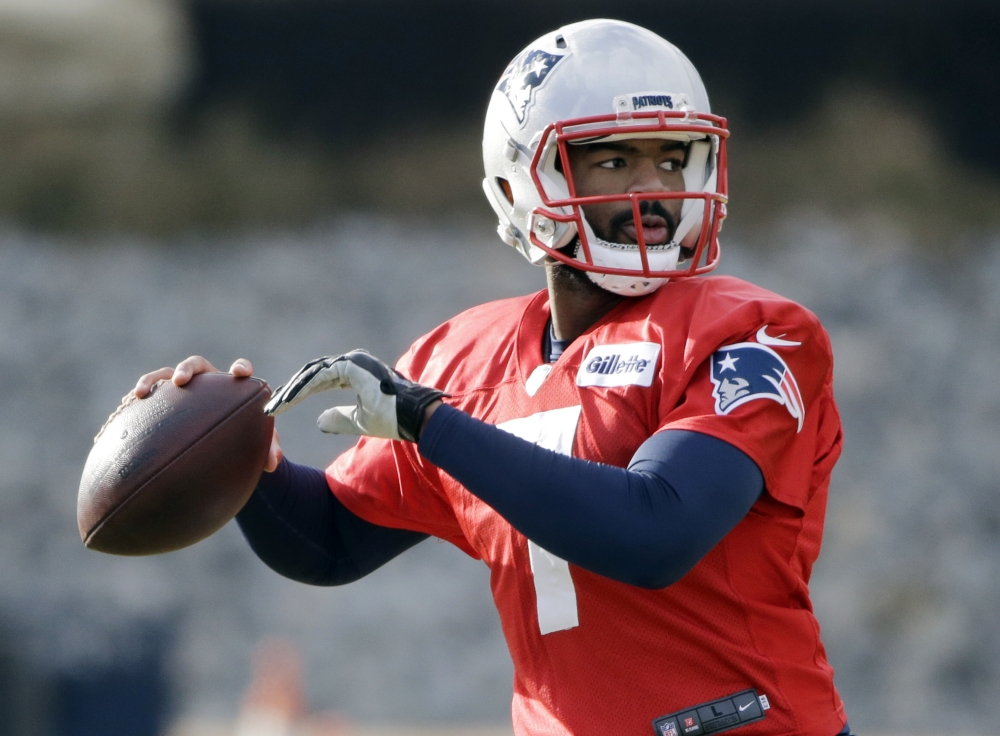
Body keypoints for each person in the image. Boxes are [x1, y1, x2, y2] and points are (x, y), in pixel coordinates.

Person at [134, 20, 849, 736]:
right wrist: (241, 458)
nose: (654, 189)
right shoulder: (465, 359)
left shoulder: (756, 333)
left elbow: (655, 533)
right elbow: (330, 540)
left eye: (671, 159)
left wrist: (431, 424)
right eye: (614, 160)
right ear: (521, 183)